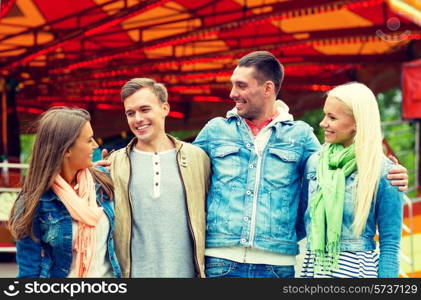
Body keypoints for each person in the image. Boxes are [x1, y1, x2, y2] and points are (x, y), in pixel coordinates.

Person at [193, 51, 408, 278]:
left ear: (267, 88)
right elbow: (184, 174)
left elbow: (389, 243)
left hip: (285, 267)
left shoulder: (302, 137)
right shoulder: (216, 130)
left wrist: (280, 236)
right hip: (225, 261)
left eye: (241, 85)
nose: (232, 93)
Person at [105, 78, 210, 278]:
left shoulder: (198, 159)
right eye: (130, 113)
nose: (137, 119)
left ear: (165, 108)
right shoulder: (114, 164)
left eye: (145, 110)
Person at [300, 82, 403, 278]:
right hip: (314, 268)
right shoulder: (314, 162)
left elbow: (390, 244)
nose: (323, 123)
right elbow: (302, 221)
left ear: (357, 123)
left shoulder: (385, 172)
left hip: (357, 272)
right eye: (324, 115)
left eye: (332, 117)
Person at [8, 107, 121, 278]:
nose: (96, 145)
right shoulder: (33, 202)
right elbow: (28, 273)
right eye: (89, 140)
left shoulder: (103, 183)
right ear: (67, 149)